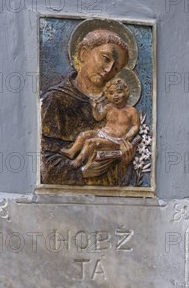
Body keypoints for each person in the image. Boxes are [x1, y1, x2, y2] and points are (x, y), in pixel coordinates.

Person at [41, 28, 137, 186]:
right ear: (83, 53)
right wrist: (82, 173)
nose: (108, 70)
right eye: (106, 58)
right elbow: (43, 163)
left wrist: (125, 162)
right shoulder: (55, 100)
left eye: (116, 68)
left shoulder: (112, 105)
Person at [60, 77, 139, 171]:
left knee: (91, 142)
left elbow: (135, 125)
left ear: (126, 92)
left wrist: (129, 134)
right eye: (111, 93)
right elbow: (98, 117)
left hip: (116, 141)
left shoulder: (131, 111)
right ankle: (72, 151)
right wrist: (94, 108)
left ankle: (79, 159)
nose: (115, 95)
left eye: (119, 92)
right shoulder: (109, 107)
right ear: (107, 96)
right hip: (102, 134)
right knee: (84, 135)